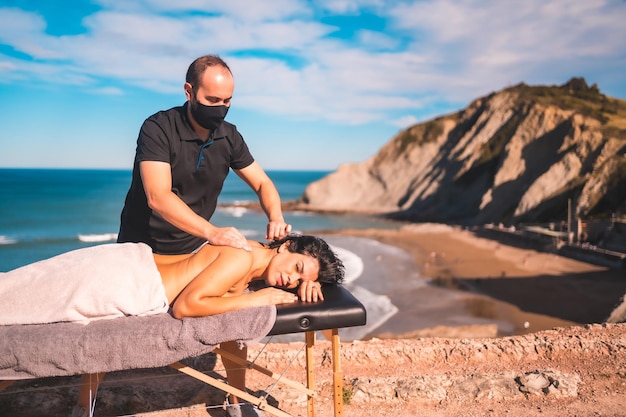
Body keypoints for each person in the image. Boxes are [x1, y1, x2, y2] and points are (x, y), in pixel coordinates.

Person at [10, 235, 344, 416]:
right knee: (15, 305)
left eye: (298, 281)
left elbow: (224, 315)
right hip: (121, 281)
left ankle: (236, 400)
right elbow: (187, 307)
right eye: (297, 266)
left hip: (127, 267)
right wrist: (257, 300)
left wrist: (304, 286)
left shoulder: (255, 259)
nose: (291, 279)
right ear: (286, 246)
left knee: (17, 292)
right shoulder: (242, 257)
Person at [117, 54, 292, 254]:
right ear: (189, 92)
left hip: (194, 248)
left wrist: (276, 217)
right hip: (142, 247)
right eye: (212, 100)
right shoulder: (158, 128)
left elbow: (262, 183)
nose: (220, 108)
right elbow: (158, 196)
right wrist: (212, 232)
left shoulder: (229, 136)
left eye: (227, 101)